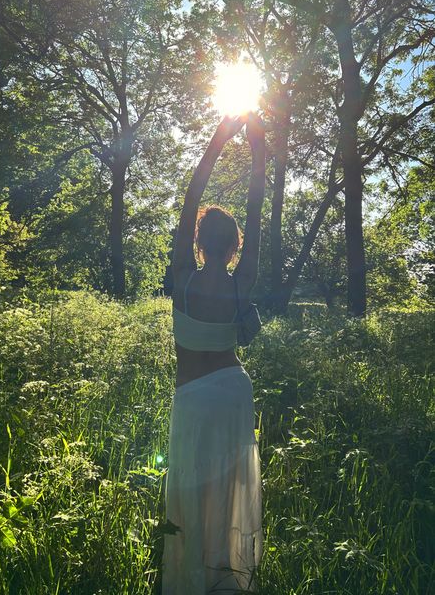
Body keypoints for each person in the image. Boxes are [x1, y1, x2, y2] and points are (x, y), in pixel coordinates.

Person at [161, 112, 265, 594]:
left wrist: (219, 139)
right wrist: (259, 152)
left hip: (194, 398)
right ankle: (224, 573)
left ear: (199, 241)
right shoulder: (242, 284)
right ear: (235, 245)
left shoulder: (182, 277)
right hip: (233, 392)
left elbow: (191, 198)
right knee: (227, 487)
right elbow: (257, 206)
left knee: (189, 485)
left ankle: (191, 575)